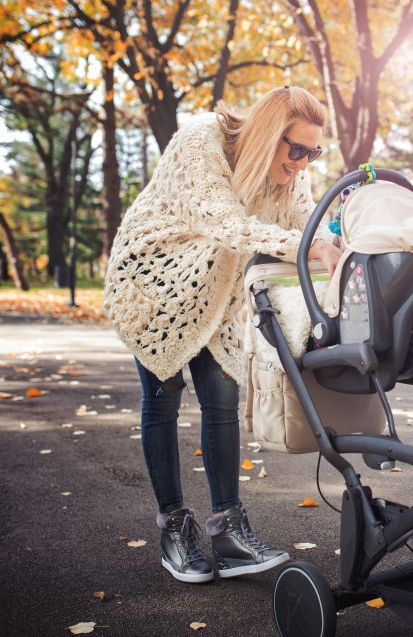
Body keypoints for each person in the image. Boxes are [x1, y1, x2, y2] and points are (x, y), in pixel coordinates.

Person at [103, 86, 342, 584]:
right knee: (163, 398)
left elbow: (307, 228)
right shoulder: (200, 139)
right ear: (266, 135)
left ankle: (229, 532)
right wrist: (309, 245)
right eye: (294, 148)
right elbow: (224, 220)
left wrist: (336, 246)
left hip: (220, 290)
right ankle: (174, 526)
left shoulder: (291, 176)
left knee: (221, 400)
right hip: (155, 281)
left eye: (312, 152)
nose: (302, 162)